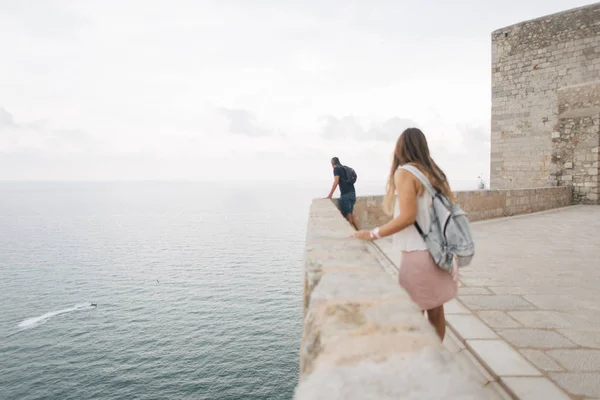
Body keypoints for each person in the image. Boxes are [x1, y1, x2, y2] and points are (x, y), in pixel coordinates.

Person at [350, 128, 457, 340]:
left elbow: (408, 216)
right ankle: (435, 360)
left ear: (401, 147)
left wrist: (373, 233)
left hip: (418, 256)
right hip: (439, 252)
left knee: (412, 315)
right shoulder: (435, 174)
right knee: (436, 311)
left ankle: (420, 362)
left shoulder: (405, 173)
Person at [326, 157, 358, 229]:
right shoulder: (344, 168)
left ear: (332, 164)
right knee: (350, 215)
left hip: (345, 195)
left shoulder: (336, 169)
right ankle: (359, 232)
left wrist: (330, 195)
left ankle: (352, 236)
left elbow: (336, 182)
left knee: (348, 218)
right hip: (352, 194)